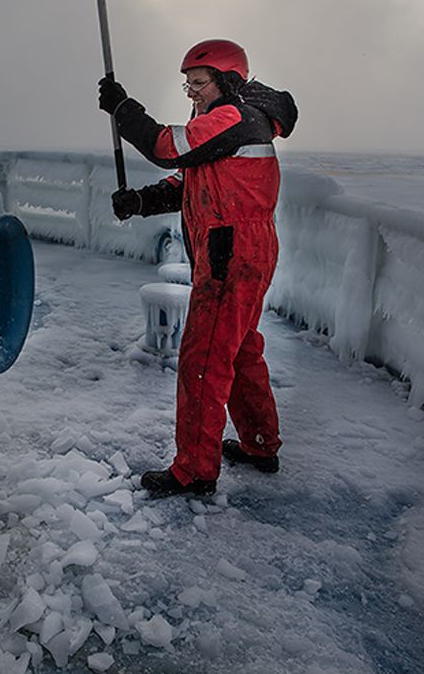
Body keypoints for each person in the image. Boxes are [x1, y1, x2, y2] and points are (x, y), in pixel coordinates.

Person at [98, 39, 298, 498]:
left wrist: (123, 110)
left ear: (226, 79)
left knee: (203, 360)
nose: (191, 92)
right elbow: (189, 180)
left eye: (199, 83)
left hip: (233, 252)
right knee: (240, 350)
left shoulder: (233, 116)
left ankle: (194, 470)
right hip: (241, 250)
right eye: (187, 84)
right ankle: (261, 444)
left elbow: (167, 146)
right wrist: (142, 201)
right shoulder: (230, 123)